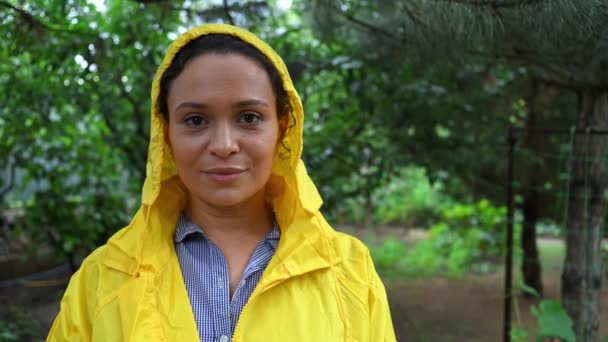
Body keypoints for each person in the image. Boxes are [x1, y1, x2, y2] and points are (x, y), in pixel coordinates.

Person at [47, 23, 395, 342]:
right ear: (166, 135)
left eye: (249, 117)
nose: (224, 145)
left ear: (282, 128)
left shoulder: (349, 272)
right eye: (196, 120)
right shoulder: (102, 279)